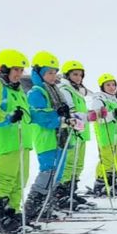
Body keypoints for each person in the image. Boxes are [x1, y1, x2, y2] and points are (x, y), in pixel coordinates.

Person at [24, 51, 79, 220]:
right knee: (48, 171)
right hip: (46, 138)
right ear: (39, 72)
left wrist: (69, 119)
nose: (53, 76)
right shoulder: (36, 92)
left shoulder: (56, 90)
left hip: (60, 137)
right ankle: (34, 204)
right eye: (49, 72)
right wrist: (60, 117)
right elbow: (41, 116)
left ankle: (48, 202)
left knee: (58, 171)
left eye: (55, 72)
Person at [0, 49, 31, 233]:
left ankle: (12, 212)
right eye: (15, 69)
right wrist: (9, 117)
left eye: (21, 70)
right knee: (5, 178)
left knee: (21, 179)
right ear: (3, 69)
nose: (19, 74)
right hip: (7, 141)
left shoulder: (18, 90)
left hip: (23, 142)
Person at [56, 60, 93, 210]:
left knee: (78, 164)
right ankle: (62, 193)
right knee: (70, 162)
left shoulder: (76, 90)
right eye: (75, 74)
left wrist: (89, 116)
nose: (78, 77)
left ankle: (72, 191)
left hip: (80, 131)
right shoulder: (65, 88)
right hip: (71, 131)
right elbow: (72, 112)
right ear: (67, 74)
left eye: (80, 75)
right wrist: (89, 116)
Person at [89, 73, 117, 196]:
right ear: (102, 86)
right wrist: (111, 115)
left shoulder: (114, 99)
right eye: (108, 85)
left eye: (113, 84)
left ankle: (110, 181)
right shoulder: (99, 98)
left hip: (116, 135)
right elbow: (98, 117)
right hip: (106, 135)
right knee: (106, 159)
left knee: (115, 159)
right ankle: (100, 182)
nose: (111, 87)